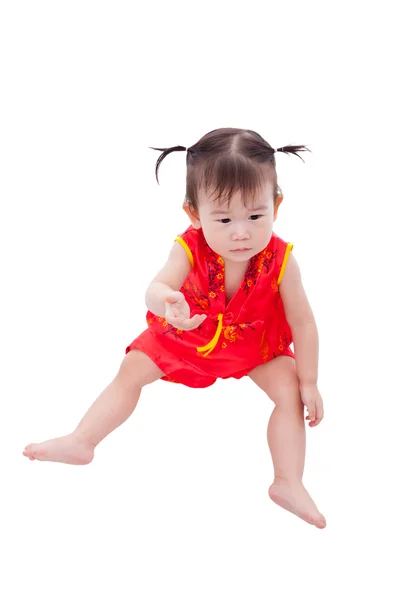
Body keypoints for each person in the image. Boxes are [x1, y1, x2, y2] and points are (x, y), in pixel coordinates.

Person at [23, 128, 326, 528]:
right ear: (194, 213)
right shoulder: (188, 247)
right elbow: (155, 287)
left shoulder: (283, 261)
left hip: (253, 345)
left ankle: (289, 482)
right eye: (224, 218)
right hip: (186, 335)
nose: (241, 232)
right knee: (131, 369)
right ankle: (82, 441)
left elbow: (304, 322)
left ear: (277, 204)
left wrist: (309, 381)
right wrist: (167, 303)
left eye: (256, 216)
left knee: (290, 394)